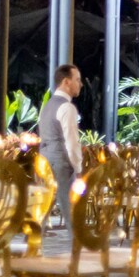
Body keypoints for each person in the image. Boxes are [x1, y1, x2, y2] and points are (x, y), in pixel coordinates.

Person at [38, 63, 84, 243]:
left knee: (44, 206)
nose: (80, 84)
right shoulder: (67, 108)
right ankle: (79, 249)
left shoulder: (47, 106)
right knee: (71, 207)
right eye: (77, 80)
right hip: (60, 160)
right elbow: (72, 142)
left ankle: (30, 244)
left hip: (44, 158)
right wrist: (78, 169)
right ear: (66, 82)